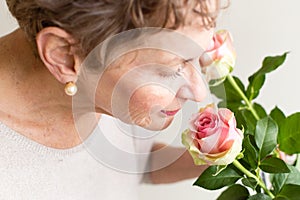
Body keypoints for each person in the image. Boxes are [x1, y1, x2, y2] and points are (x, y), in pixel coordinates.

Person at [0, 0, 224, 199]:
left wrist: (218, 160)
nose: (199, 92)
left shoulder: (101, 84)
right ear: (64, 56)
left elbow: (132, 164)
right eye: (171, 69)